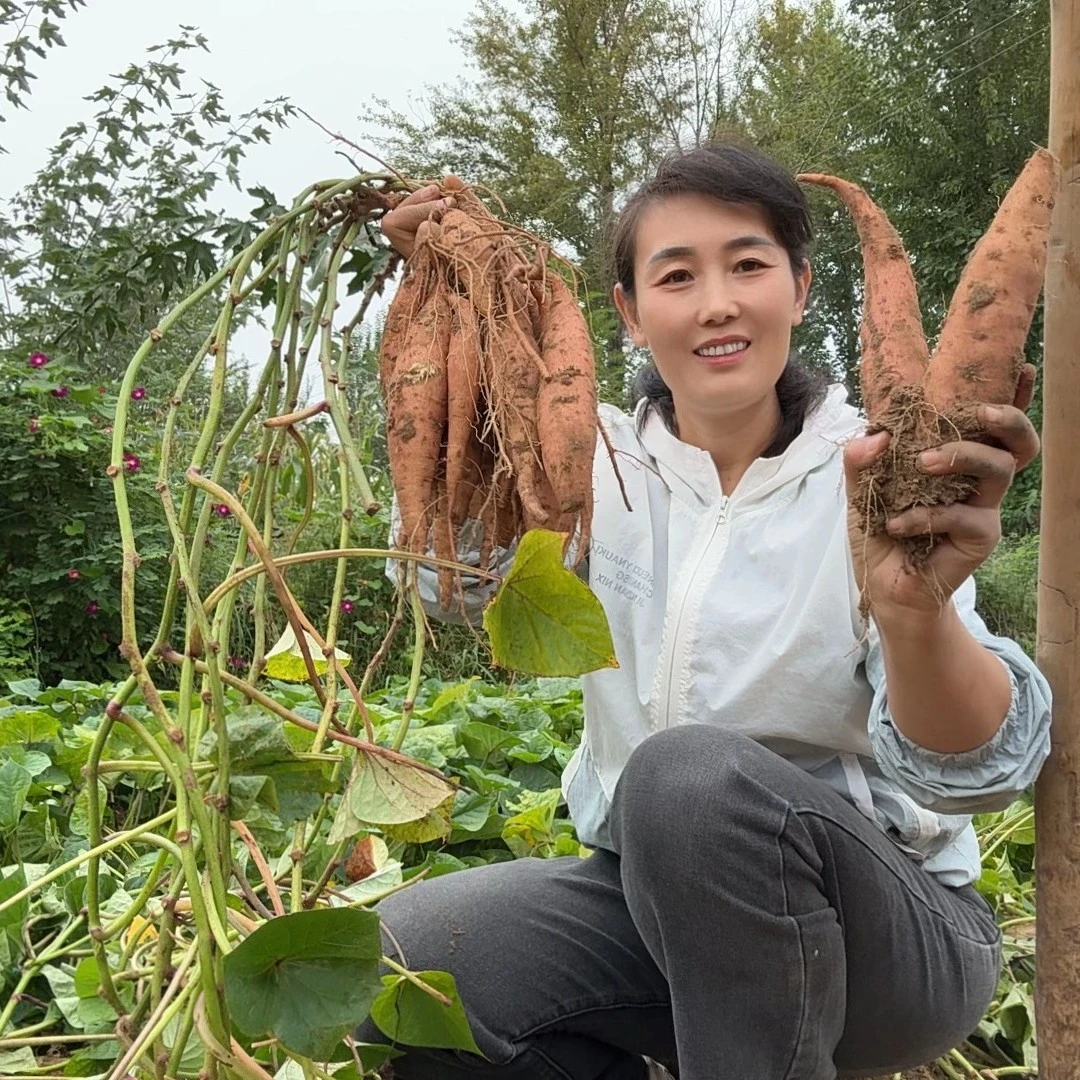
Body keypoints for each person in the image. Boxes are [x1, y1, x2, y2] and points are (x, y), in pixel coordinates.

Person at [360, 141, 1052, 1080]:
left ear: (802, 290)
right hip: (654, 913)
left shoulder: (877, 471)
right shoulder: (590, 467)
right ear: (630, 315)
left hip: (891, 937)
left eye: (749, 265)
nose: (717, 302)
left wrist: (913, 610)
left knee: (685, 781)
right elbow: (452, 583)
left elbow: (970, 777)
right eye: (676, 275)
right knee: (405, 970)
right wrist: (448, 298)